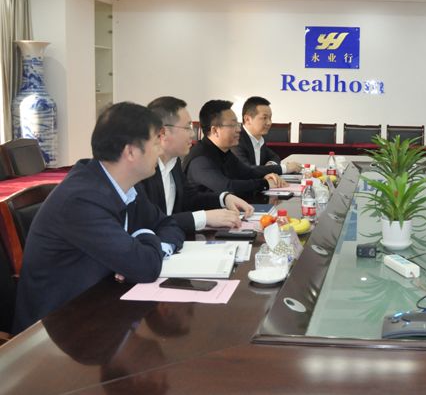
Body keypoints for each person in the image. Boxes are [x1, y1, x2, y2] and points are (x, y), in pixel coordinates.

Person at [13, 102, 185, 333]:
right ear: (131, 152)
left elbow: (168, 224)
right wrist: (145, 235)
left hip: (101, 308)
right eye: (155, 143)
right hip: (55, 330)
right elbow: (145, 267)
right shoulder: (81, 200)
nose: (160, 150)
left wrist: (148, 246)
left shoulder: (127, 186)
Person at [137, 96, 254, 234]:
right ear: (163, 133)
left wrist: (224, 198)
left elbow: (190, 199)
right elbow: (151, 222)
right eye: (187, 127)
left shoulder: (173, 163)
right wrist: (203, 218)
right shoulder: (142, 171)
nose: (192, 134)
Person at [183, 99, 287, 197]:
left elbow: (248, 172)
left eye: (238, 124)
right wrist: (265, 183)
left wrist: (265, 176)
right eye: (233, 125)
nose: (239, 130)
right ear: (215, 130)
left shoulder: (224, 152)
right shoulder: (200, 159)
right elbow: (228, 187)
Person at [232, 96, 301, 174]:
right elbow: (247, 171)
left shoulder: (259, 139)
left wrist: (270, 166)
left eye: (270, 118)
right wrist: (285, 168)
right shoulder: (236, 140)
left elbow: (274, 156)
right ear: (247, 119)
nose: (269, 123)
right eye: (264, 118)